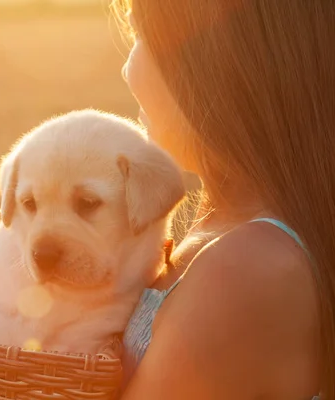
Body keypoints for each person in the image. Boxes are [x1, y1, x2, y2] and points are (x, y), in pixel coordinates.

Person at [111, 1, 334, 399]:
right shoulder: (227, 228)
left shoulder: (247, 267)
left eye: (141, 35)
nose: (127, 69)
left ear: (211, 60)